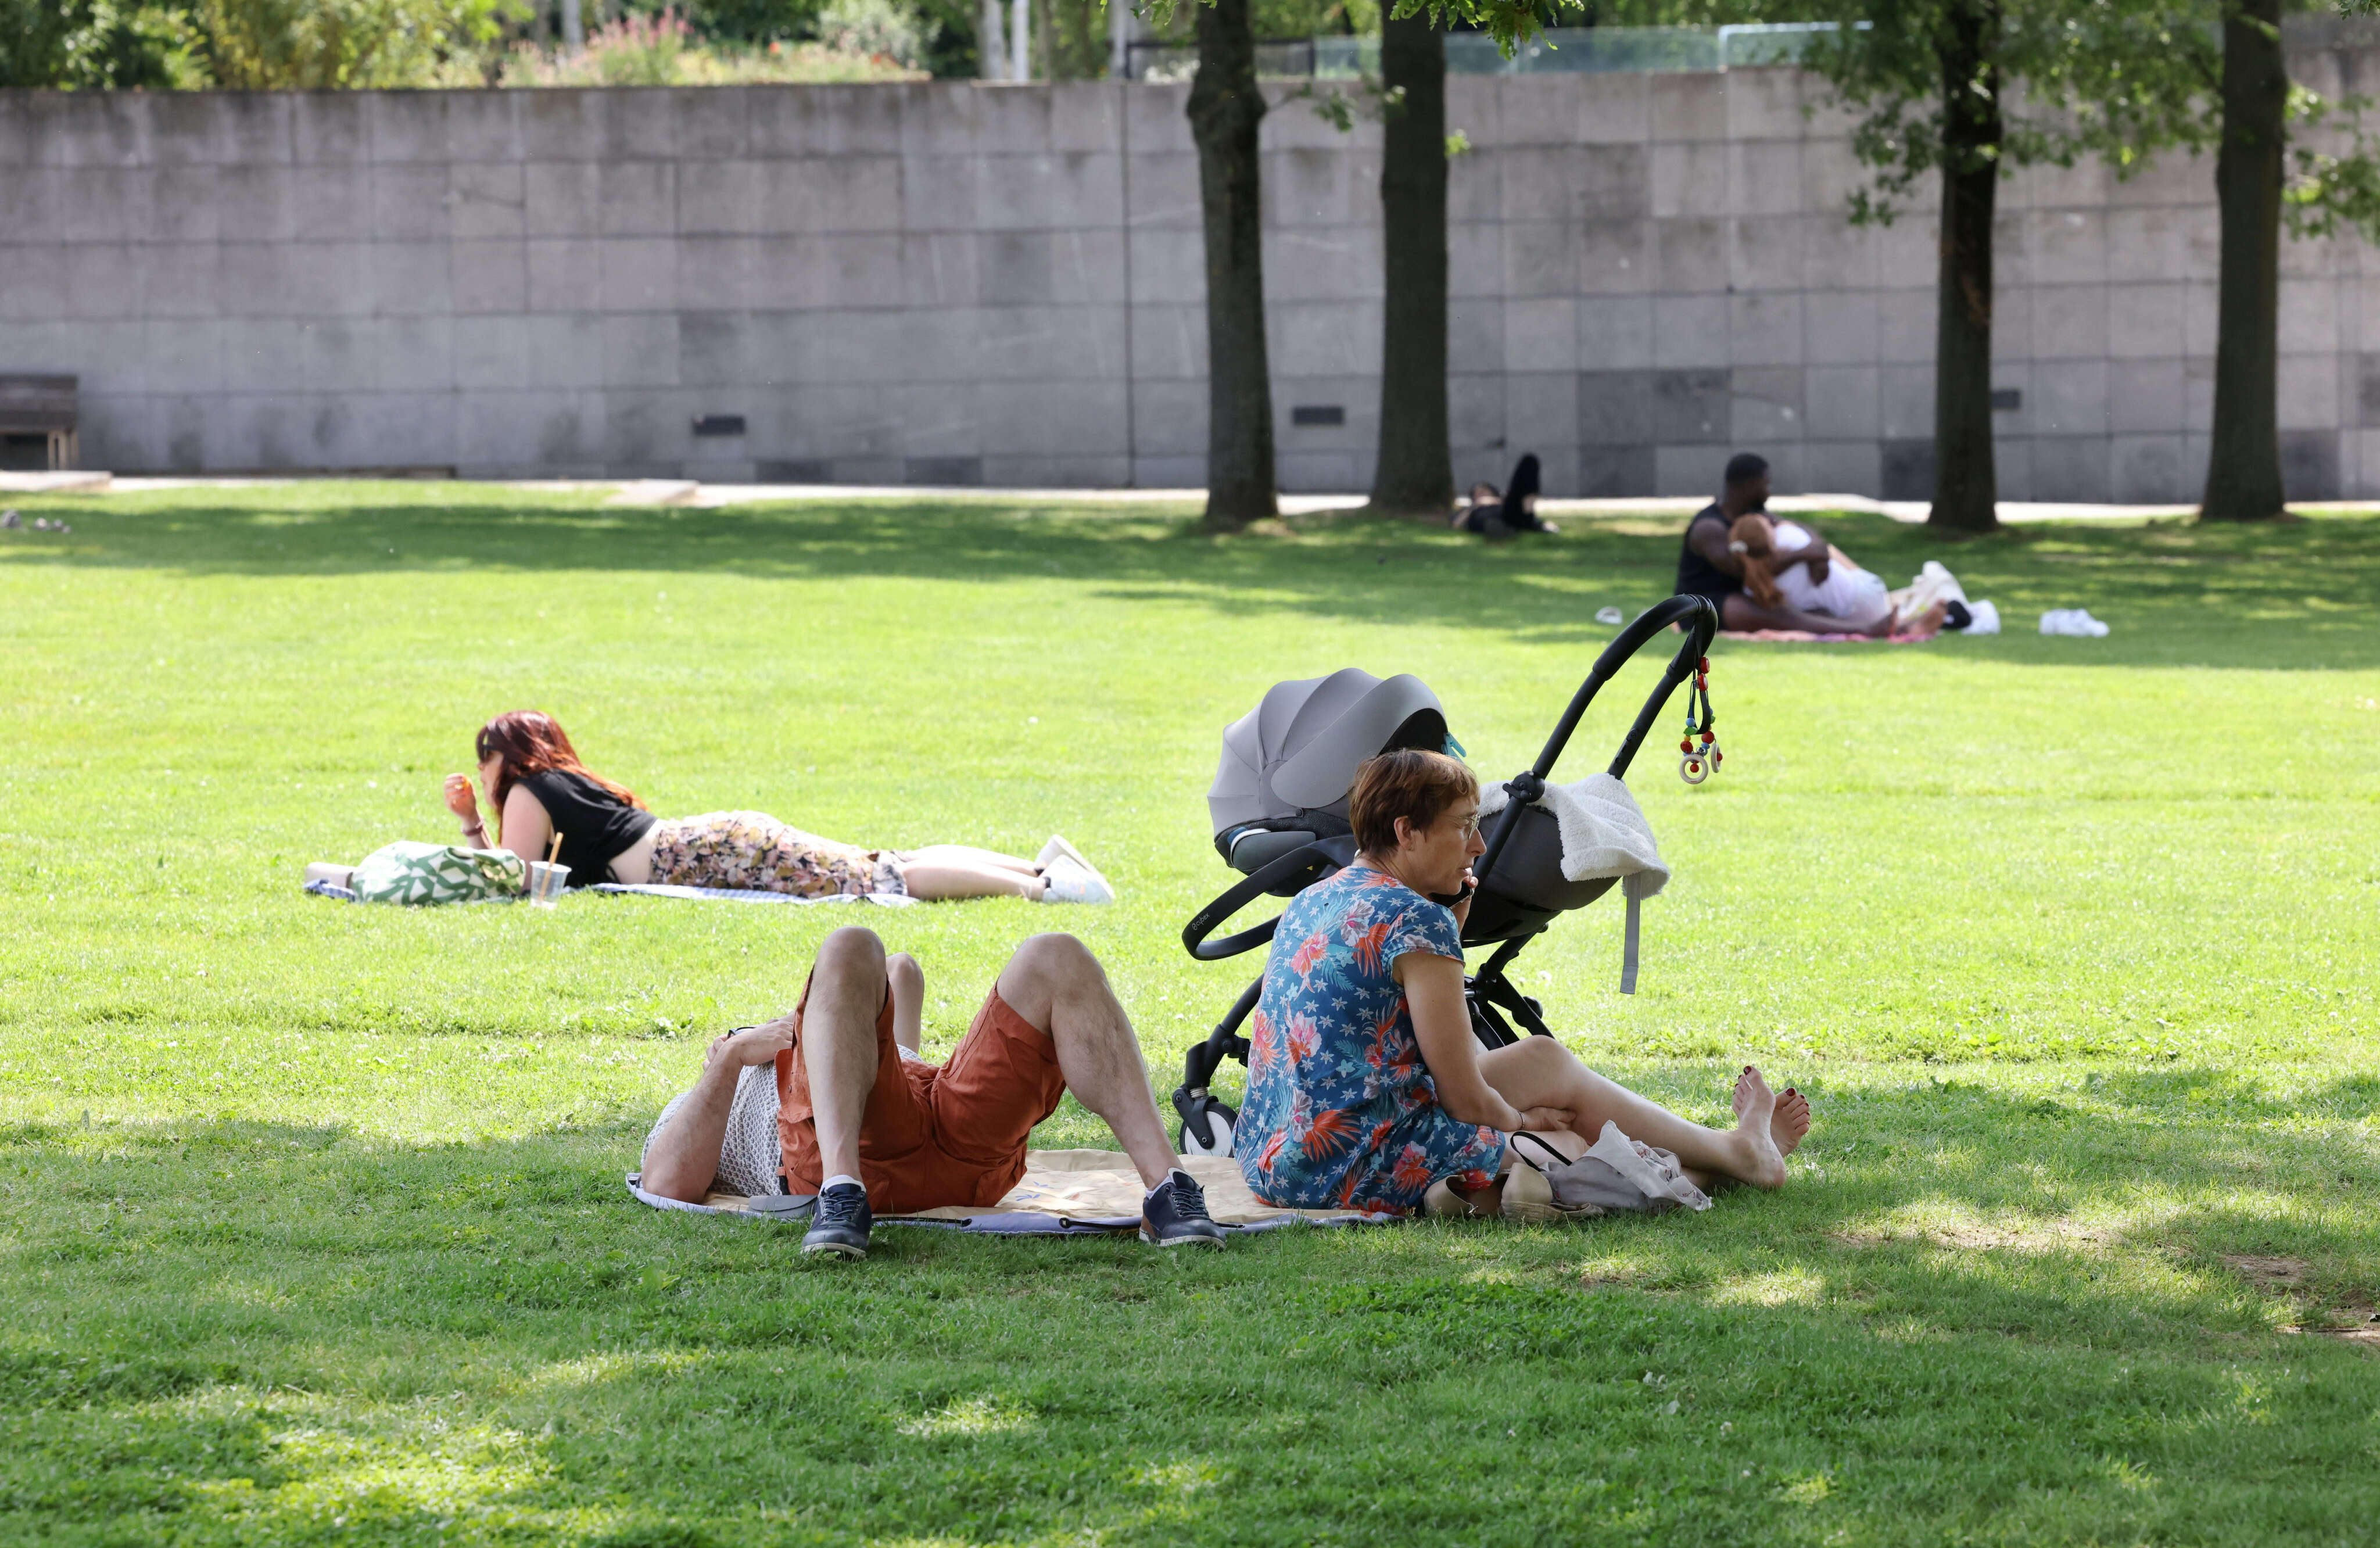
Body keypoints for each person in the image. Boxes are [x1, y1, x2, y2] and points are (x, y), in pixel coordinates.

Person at [1233, 748, 1810, 1217]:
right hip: (1350, 1159)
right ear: (1406, 832)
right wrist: (1523, 1121)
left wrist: (1448, 937)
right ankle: (1741, 1156)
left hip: (1279, 1151)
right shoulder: (1415, 920)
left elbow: (1387, 1040)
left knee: (1542, 1061)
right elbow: (1461, 1094)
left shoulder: (1318, 897)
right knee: (1564, 1147)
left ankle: (1737, 1152)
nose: (1478, 847)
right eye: (1463, 830)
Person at [639, 927, 1226, 1257]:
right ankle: (843, 1197)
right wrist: (732, 1054)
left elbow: (901, 980)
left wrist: (882, 988)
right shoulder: (721, 1089)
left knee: (1056, 954)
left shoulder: (842, 1040)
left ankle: (1170, 1192)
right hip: (854, 1159)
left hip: (950, 1140)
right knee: (846, 943)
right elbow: (668, 1182)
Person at [440, 709, 1113, 902]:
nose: (480, 768)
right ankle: (1037, 867)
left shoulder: (531, 789)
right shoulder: (569, 779)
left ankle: (1048, 886)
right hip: (721, 839)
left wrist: (473, 822)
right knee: (882, 863)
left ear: (512, 754)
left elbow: (511, 877)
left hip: (708, 852)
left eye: (484, 754)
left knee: (882, 879)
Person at [1676, 453, 1895, 636]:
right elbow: (1744, 571)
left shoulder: (1755, 514)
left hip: (1747, 594)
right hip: (1704, 602)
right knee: (1780, 615)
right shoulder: (1709, 528)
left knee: (1815, 611)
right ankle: (1866, 630)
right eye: (1766, 484)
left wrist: (1818, 551)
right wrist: (1804, 554)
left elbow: (1799, 528)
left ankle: (1860, 625)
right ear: (1749, 486)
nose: (1769, 491)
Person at [1453, 453, 1561, 538]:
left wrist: (1496, 501)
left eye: (1484, 491)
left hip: (1510, 514)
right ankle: (1502, 528)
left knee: (1529, 461)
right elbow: (1457, 525)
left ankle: (1528, 517)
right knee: (1489, 522)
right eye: (1477, 493)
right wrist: (1475, 506)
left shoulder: (1505, 503)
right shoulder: (1471, 509)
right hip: (1485, 519)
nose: (1481, 494)